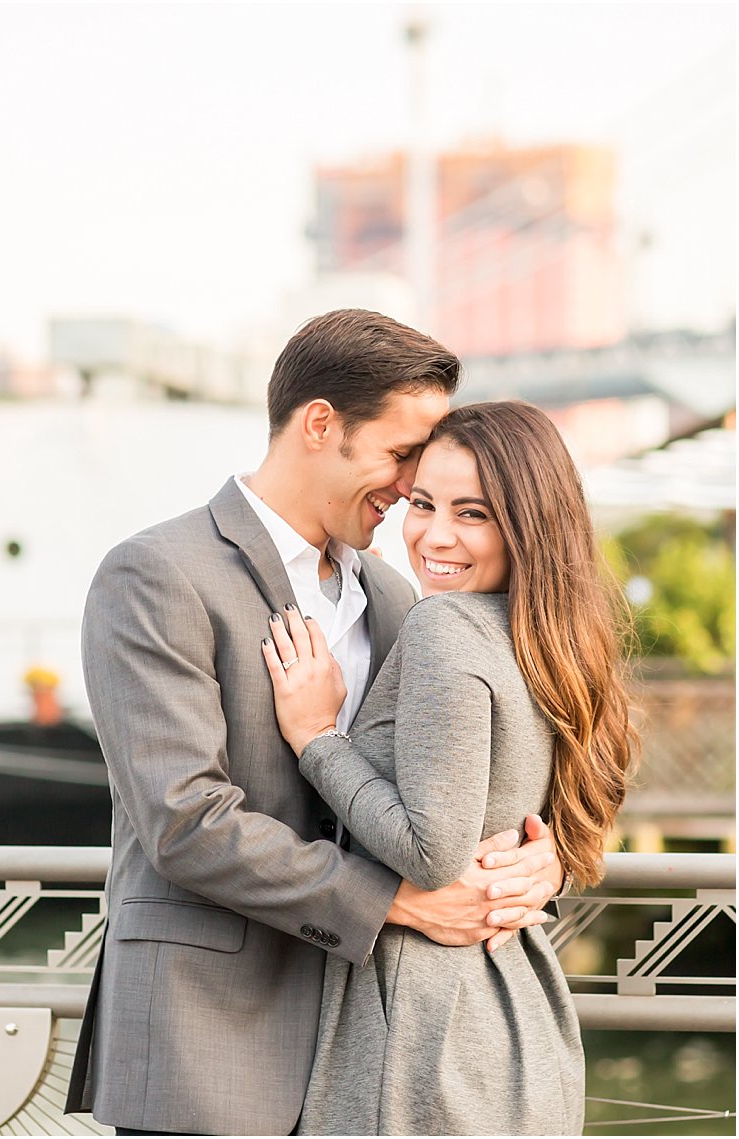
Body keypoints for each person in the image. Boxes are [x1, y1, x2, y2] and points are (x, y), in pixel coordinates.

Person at [65, 310, 565, 1136]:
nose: (411, 484)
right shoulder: (156, 573)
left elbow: (443, 781)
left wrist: (539, 860)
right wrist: (399, 902)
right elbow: (184, 821)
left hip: (365, 1050)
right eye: (402, 453)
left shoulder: (402, 599)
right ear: (321, 423)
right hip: (208, 1038)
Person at [262, 400, 635, 1134]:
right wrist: (552, 858)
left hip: (422, 1033)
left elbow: (432, 852)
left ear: (526, 525)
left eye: (473, 513)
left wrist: (315, 740)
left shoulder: (442, 625)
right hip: (519, 1013)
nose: (434, 534)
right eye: (423, 503)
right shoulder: (548, 638)